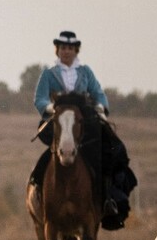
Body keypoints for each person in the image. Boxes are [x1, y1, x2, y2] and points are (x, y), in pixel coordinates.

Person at [28, 30, 136, 229]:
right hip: (59, 123)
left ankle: (108, 201)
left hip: (84, 127)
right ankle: (37, 192)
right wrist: (52, 109)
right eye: (62, 48)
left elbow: (98, 93)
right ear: (57, 50)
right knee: (45, 160)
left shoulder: (86, 72)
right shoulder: (49, 73)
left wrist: (101, 108)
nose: (66, 52)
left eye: (70, 48)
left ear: (75, 50)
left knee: (111, 153)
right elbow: (40, 99)